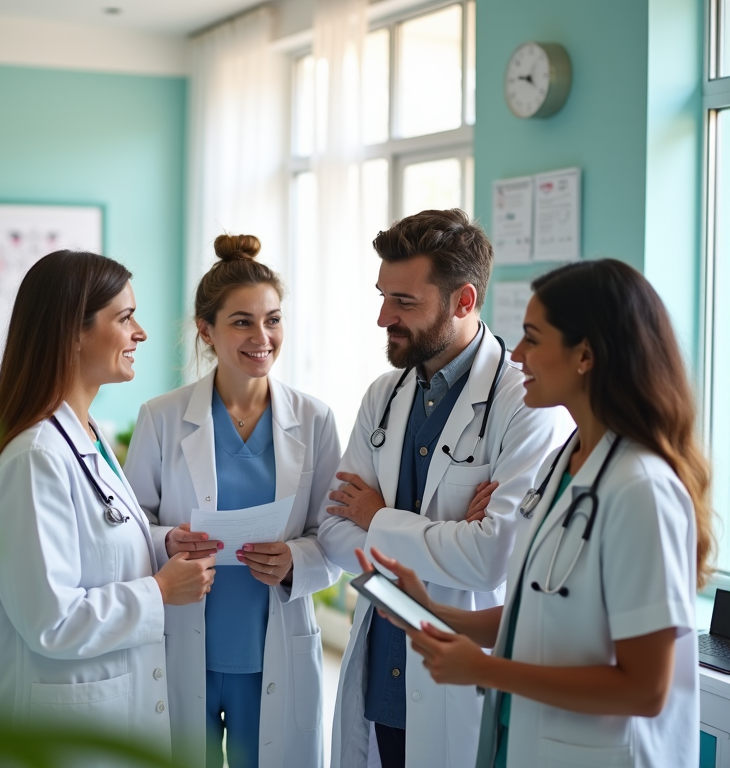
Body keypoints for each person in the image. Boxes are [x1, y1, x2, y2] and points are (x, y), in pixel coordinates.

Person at [365, 258, 713, 768]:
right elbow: (540, 614)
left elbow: (645, 689)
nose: (519, 354)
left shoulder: (643, 489)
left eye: (533, 337)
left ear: (585, 356)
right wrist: (437, 614)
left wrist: (487, 671)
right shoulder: (565, 463)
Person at [318, 209, 572, 768]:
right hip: (381, 676)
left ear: (463, 301)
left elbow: (491, 558)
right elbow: (334, 533)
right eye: (384, 296)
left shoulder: (525, 404)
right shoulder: (383, 394)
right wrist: (447, 534)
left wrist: (378, 517)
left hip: (461, 681)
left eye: (404, 302)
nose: (384, 316)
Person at [0, 250, 216, 768]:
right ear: (73, 332)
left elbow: (95, 541)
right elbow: (50, 619)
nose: (140, 332)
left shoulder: (85, 434)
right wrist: (160, 591)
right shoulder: (35, 457)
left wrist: (158, 543)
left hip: (103, 708)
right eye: (124, 318)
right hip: (58, 725)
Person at [123, 234, 342, 768]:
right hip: (183, 644)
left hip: (273, 644)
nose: (262, 337)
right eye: (242, 321)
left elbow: (335, 533)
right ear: (207, 330)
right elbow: (129, 529)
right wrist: (168, 540)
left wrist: (298, 560)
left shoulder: (314, 420)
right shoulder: (162, 416)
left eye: (272, 319)